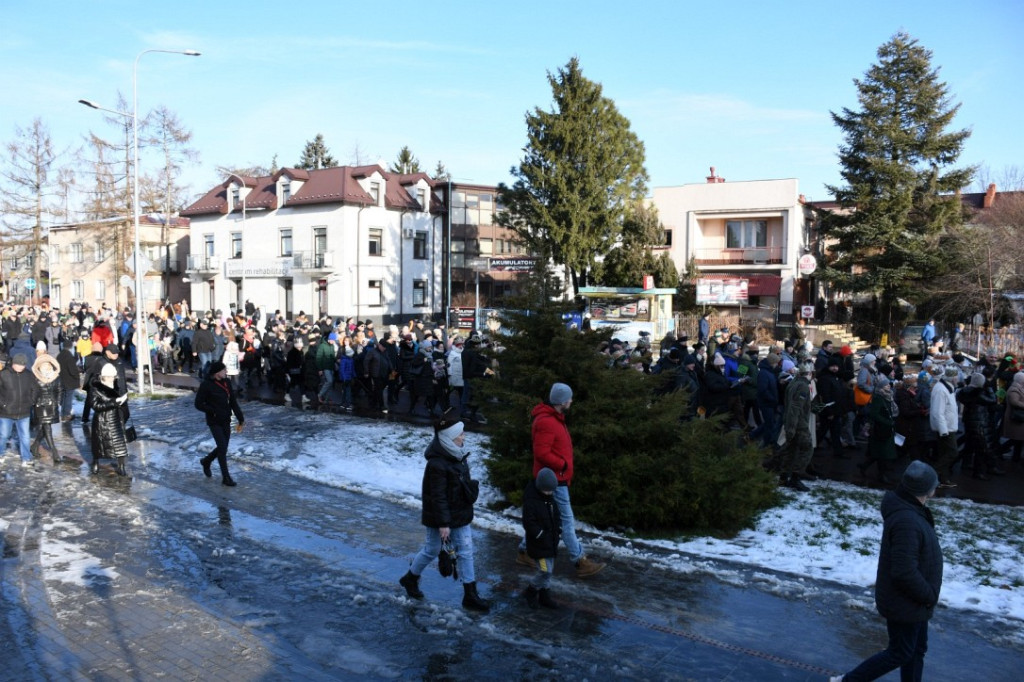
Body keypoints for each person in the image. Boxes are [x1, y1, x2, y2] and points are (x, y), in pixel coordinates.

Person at [830, 461, 943, 682]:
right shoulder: (907, 521)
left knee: (916, 650)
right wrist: (928, 595)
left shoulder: (911, 511)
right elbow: (903, 571)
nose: (936, 487)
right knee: (900, 652)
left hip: (916, 602)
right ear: (924, 489)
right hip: (907, 601)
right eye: (934, 484)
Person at [399, 415, 490, 613]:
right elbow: (437, 497)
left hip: (460, 513)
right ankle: (410, 578)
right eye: (460, 433)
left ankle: (470, 595)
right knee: (431, 549)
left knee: (465, 551)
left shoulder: (458, 454)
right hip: (441, 517)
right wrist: (443, 524)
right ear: (449, 437)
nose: (464, 436)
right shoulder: (437, 464)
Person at [517, 383, 606, 577]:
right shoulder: (547, 421)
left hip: (557, 477)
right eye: (569, 398)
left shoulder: (554, 418)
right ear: (562, 401)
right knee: (566, 520)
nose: (572, 401)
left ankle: (524, 551)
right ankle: (579, 561)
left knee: (549, 519)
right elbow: (541, 452)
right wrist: (563, 465)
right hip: (554, 480)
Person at [194, 360, 245, 486]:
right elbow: (198, 404)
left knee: (223, 447)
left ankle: (206, 461)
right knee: (222, 447)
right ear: (217, 373)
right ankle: (226, 478)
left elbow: (232, 401)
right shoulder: (206, 385)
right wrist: (212, 411)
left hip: (226, 419)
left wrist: (240, 417)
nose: (226, 371)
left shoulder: (227, 382)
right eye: (223, 370)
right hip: (214, 421)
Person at [521, 467, 561, 609]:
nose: (549, 493)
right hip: (539, 544)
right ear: (540, 487)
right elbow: (529, 522)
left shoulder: (550, 500)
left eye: (551, 491)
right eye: (547, 490)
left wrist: (559, 530)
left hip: (550, 542)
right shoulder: (531, 502)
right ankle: (531, 591)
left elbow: (556, 517)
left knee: (549, 572)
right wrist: (540, 534)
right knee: (545, 571)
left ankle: (544, 595)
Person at [0, 353, 40, 467]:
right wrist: (3, 404)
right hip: (6, 412)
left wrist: (31, 402)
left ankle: (26, 458)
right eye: (18, 365)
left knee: (25, 436)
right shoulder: (4, 374)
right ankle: (0, 453)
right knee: (3, 435)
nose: (20, 367)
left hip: (24, 412)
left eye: (23, 365)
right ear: (13, 364)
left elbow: (35, 389)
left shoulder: (28, 375)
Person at [89, 363, 130, 476]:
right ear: (103, 376)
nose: (111, 379)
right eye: (109, 376)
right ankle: (95, 462)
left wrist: (123, 401)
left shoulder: (116, 386)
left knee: (119, 444)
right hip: (101, 421)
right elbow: (96, 406)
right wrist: (113, 403)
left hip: (116, 419)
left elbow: (120, 402)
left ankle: (121, 466)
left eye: (113, 376)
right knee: (99, 445)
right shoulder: (95, 389)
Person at [30, 353, 62, 463]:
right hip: (41, 406)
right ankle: (54, 452)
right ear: (39, 367)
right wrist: (34, 403)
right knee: (47, 428)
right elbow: (33, 392)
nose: (46, 368)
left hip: (52, 405)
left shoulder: (56, 378)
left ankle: (34, 446)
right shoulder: (36, 379)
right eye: (44, 366)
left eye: (48, 365)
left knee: (45, 428)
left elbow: (60, 390)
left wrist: (57, 402)